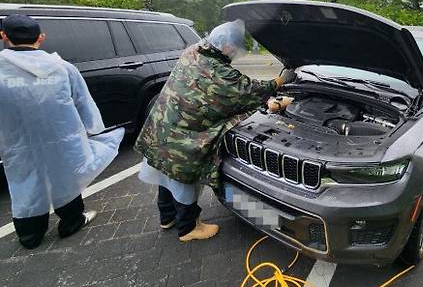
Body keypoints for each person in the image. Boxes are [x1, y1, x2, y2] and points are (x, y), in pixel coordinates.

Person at [134, 20, 296, 242]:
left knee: (166, 174)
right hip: (182, 139)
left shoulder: (193, 51)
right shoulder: (219, 72)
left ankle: (167, 218)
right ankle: (188, 228)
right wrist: (280, 81)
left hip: (161, 127)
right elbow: (248, 91)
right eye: (235, 48)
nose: (234, 53)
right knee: (182, 179)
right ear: (228, 46)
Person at [0, 14, 124, 249]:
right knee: (65, 178)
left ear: (4, 36)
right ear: (41, 38)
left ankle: (29, 236)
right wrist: (94, 131)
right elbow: (84, 103)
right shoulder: (62, 67)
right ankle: (70, 222)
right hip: (62, 139)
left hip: (17, 143)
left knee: (24, 182)